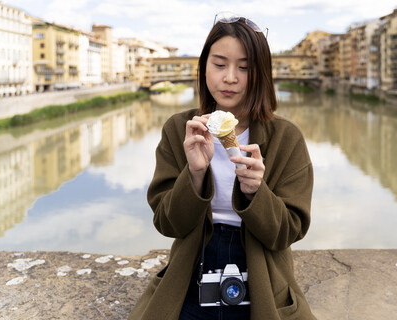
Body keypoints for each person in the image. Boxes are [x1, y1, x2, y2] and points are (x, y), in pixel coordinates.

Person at [128, 11, 315, 320]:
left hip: (263, 275)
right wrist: (196, 174)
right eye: (219, 65)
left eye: (244, 68)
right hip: (192, 268)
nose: (230, 77)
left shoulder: (286, 137)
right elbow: (167, 225)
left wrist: (257, 192)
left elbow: (288, 232)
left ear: (262, 75)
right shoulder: (179, 129)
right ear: (204, 69)